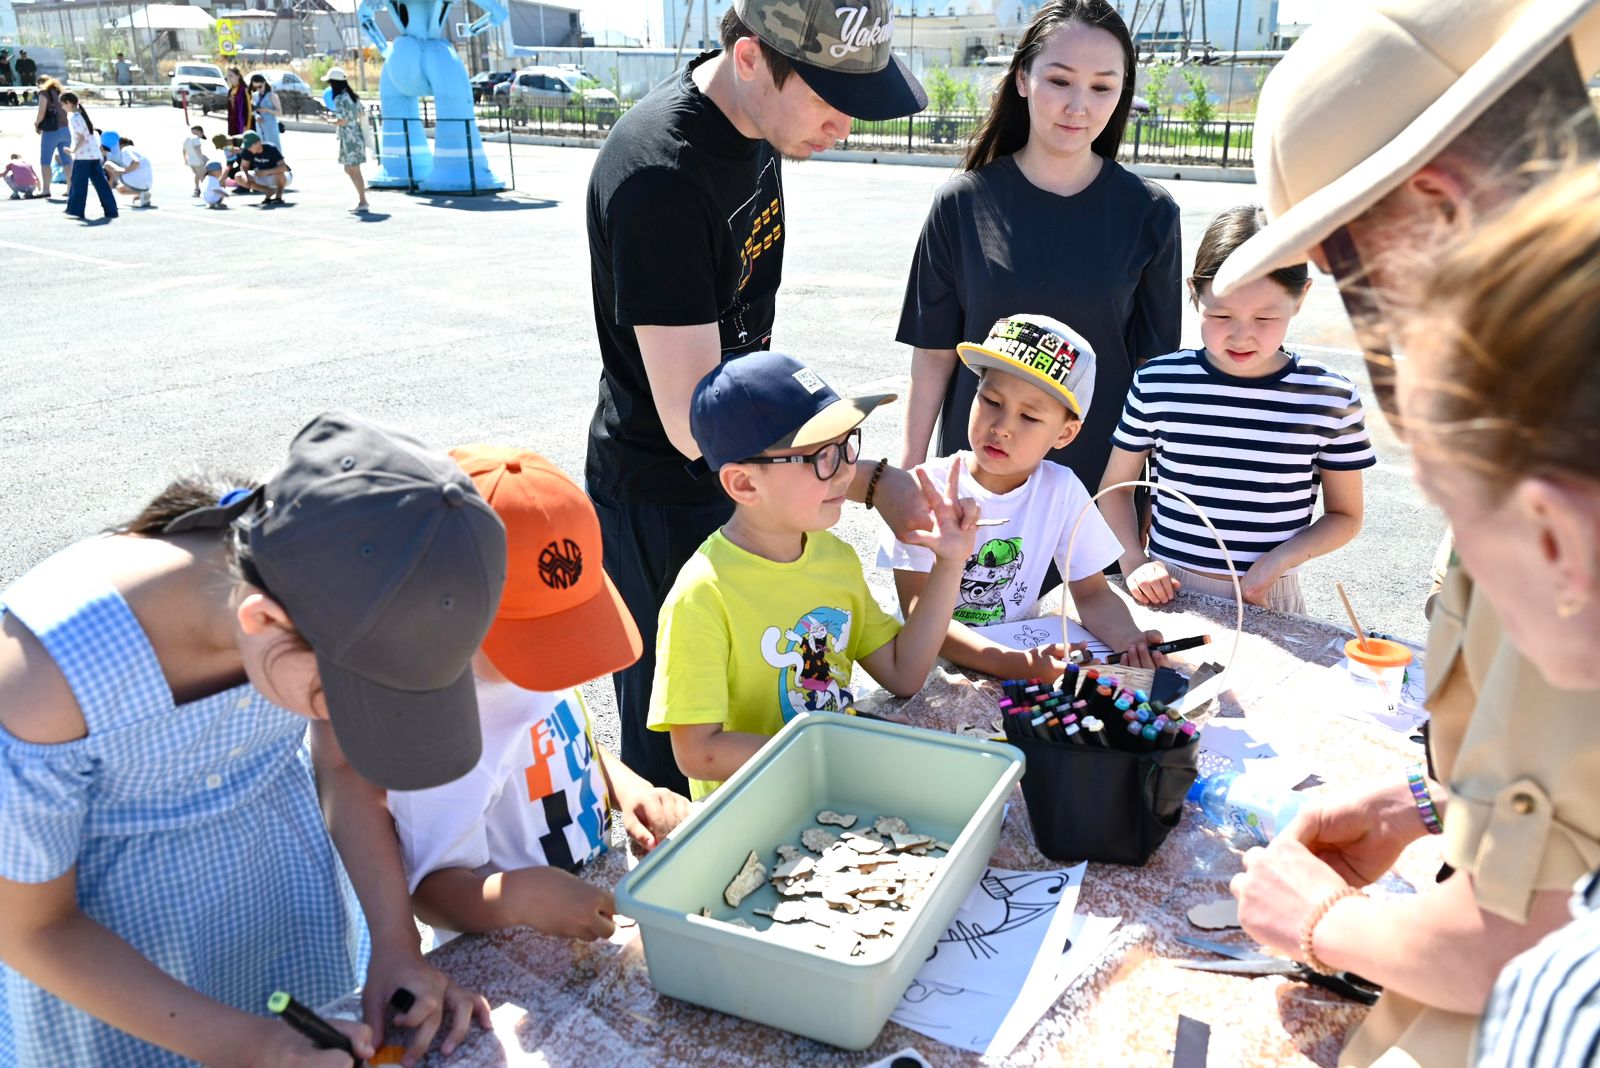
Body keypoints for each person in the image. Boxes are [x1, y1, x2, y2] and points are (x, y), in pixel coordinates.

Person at [1211, 2, 1600, 1064]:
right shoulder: (1548, 403)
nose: (1364, 320)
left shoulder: (1548, 462)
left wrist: (1316, 922)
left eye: (1344, 268)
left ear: (1430, 203)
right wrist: (1432, 797)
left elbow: (1544, 939)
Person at [0, 411, 502, 1066]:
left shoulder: (322, 581)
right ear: (262, 620)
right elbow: (32, 927)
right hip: (116, 987)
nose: (361, 719)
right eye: (347, 701)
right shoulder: (43, 674)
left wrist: (395, 943)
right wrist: (250, 1045)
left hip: (285, 932)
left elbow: (347, 772)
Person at [585, 0, 931, 796]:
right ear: (749, 59)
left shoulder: (762, 127)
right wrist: (861, 478)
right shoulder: (661, 178)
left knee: (769, 699)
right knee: (676, 755)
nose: (845, 125)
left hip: (757, 463)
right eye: (829, 98)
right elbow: (694, 424)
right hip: (667, 497)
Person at [1411, 171, 1600, 1067]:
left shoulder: (1566, 1001)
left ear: (1555, 541)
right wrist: (1425, 800)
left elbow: (1511, 937)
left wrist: (1321, 919)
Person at [390, 446, 690, 946]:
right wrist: (517, 898)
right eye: (538, 638)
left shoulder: (532, 668)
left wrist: (629, 787)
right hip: (510, 955)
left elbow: (559, 742)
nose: (559, 657)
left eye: (567, 628)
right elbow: (429, 889)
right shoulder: (442, 738)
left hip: (584, 915)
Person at [649, 352, 977, 799]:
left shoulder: (834, 558)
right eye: (823, 456)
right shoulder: (703, 594)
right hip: (754, 812)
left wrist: (950, 561)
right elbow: (698, 752)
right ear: (743, 484)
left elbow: (904, 673)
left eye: (847, 446)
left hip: (833, 787)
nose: (846, 471)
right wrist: (830, 752)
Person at [897, 0, 1181, 501]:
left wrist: (1146, 501)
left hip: (1097, 493)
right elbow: (935, 355)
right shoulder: (963, 204)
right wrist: (911, 472)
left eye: (1101, 87)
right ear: (1023, 79)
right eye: (1059, 80)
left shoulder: (1151, 213)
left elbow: (1153, 375)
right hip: (980, 488)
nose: (1079, 106)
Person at [1100, 206, 1375, 615]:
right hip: (1165, 587)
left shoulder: (1330, 397)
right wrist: (1134, 562)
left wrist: (1280, 560)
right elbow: (1116, 490)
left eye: (1265, 317)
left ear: (1300, 298)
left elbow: (1346, 515)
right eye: (1221, 314)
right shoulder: (1159, 382)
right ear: (1194, 292)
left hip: (1270, 593)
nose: (1241, 335)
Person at [879, 314, 1167, 676]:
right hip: (921, 671)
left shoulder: (1061, 490)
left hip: (1016, 664)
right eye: (991, 401)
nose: (1002, 428)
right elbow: (917, 612)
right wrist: (1011, 663)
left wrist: (1130, 639)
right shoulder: (925, 489)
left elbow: (1092, 593)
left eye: (1029, 417)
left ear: (1065, 434)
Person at [60, 93, 116, 222]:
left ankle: (76, 210)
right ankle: (111, 209)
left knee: (78, 184)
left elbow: (81, 137)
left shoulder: (74, 117)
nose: (63, 107)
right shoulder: (82, 115)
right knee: (101, 184)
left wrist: (73, 150)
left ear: (69, 102)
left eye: (63, 104)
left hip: (83, 156)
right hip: (94, 155)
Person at [325, 67, 369, 213]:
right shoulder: (352, 96)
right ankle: (362, 200)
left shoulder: (339, 98)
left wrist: (329, 121)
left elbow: (342, 120)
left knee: (353, 169)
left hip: (348, 137)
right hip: (356, 134)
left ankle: (363, 201)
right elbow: (361, 112)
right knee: (350, 168)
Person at [33, 77, 70, 199]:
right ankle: (70, 187)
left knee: (45, 161)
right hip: (65, 129)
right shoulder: (61, 92)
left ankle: (46, 189)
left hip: (51, 131)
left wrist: (37, 124)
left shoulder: (44, 93)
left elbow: (41, 112)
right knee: (66, 160)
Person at [239, 131, 291, 205]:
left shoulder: (271, 148)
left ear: (258, 142)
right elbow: (244, 166)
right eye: (247, 146)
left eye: (250, 146)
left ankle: (279, 197)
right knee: (238, 176)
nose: (248, 148)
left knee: (279, 172)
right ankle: (268, 191)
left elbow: (284, 167)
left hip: (282, 177)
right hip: (262, 175)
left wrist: (265, 172)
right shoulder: (247, 151)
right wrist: (245, 175)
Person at [103, 135, 153, 208]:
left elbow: (136, 162)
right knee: (120, 189)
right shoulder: (138, 150)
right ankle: (142, 193)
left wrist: (124, 171)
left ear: (121, 145)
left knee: (107, 164)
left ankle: (107, 196)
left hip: (138, 181)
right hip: (147, 184)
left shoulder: (125, 150)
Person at [250, 73, 283, 149]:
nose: (258, 89)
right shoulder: (254, 95)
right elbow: (254, 111)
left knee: (273, 150)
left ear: (264, 83)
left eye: (260, 86)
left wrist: (267, 110)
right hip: (260, 127)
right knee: (262, 150)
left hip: (271, 127)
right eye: (255, 87)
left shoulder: (272, 95)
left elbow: (280, 112)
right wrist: (257, 116)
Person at [182, 124, 208, 197]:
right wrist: (202, 158)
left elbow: (184, 150)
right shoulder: (195, 139)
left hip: (190, 161)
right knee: (203, 175)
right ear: (199, 132)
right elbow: (197, 149)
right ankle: (206, 190)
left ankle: (197, 189)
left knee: (197, 174)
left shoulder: (187, 139)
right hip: (198, 161)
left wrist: (185, 159)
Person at [225, 67, 252, 136]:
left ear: (238, 76)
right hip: (232, 124)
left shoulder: (244, 90)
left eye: (231, 75)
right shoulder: (230, 91)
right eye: (228, 76)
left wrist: (246, 126)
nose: (229, 78)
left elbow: (249, 110)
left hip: (242, 124)